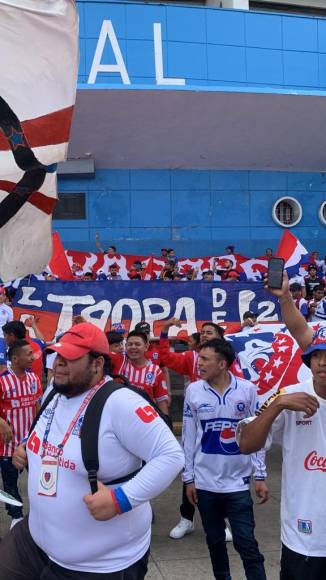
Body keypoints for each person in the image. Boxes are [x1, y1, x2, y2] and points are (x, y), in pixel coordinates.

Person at [0, 322, 184, 579]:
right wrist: (29, 448)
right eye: (58, 355)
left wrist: (121, 499)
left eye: (70, 357)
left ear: (97, 364)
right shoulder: (56, 390)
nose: (59, 363)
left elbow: (171, 455)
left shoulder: (121, 402)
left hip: (98, 564)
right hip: (35, 541)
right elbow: (49, 433)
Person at [238, 328, 326, 579]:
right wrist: (276, 405)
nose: (323, 361)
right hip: (305, 539)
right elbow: (246, 444)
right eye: (317, 354)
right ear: (309, 361)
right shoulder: (289, 395)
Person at [184, 339, 267, 580]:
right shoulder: (193, 390)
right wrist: (188, 478)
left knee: (247, 544)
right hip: (205, 484)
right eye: (199, 358)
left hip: (238, 484)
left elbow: (258, 433)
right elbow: (188, 437)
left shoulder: (247, 390)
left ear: (222, 364)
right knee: (215, 543)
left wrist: (260, 475)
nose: (199, 363)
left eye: (205, 359)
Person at [160, 319, 239, 540]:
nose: (204, 335)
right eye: (202, 333)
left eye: (210, 332)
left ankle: (220, 521)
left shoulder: (231, 360)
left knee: (218, 472)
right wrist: (165, 332)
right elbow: (166, 358)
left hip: (222, 423)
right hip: (195, 423)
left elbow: (240, 384)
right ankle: (187, 518)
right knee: (190, 468)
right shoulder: (191, 357)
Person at [0, 340, 42, 529]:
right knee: (10, 485)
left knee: (40, 482)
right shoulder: (3, 380)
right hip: (8, 446)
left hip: (32, 445)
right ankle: (16, 517)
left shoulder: (34, 379)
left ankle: (42, 515)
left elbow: (39, 406)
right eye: (29, 354)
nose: (33, 357)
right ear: (15, 359)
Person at [109, 331, 169, 416]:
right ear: (125, 346)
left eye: (137, 344)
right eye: (130, 344)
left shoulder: (155, 371)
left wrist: (166, 423)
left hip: (146, 422)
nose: (133, 347)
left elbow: (161, 402)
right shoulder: (119, 361)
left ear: (146, 347)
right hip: (120, 419)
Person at [0, 287, 13, 373]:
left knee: (2, 364)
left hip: (1, 339)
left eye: (2, 294)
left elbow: (11, 326)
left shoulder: (8, 309)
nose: (1, 296)